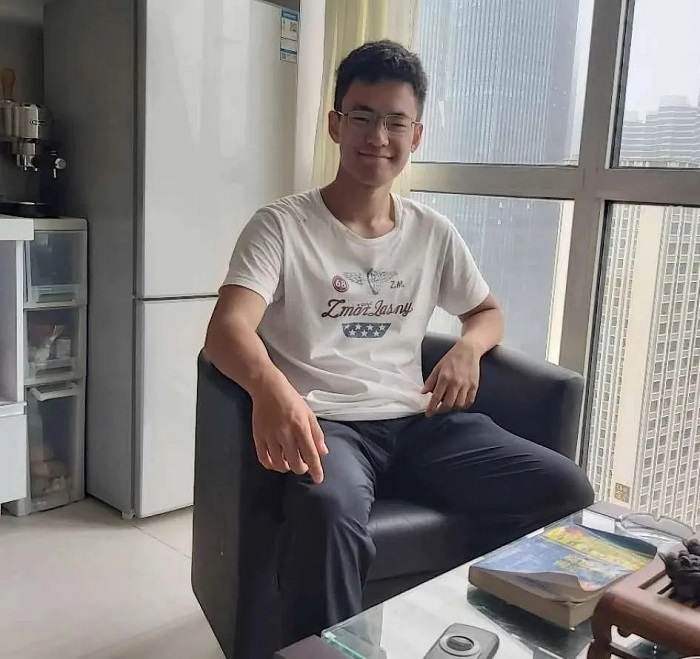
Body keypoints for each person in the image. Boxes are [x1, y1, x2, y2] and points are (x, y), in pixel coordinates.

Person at [204, 39, 594, 642]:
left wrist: (467, 348)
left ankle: (491, 635)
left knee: (565, 489)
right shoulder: (281, 226)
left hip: (419, 422)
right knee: (327, 509)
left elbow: (487, 312)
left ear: (416, 136)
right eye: (362, 117)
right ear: (335, 124)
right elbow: (227, 327)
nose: (378, 137)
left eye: (396, 122)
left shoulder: (431, 232)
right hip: (327, 427)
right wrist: (271, 389)